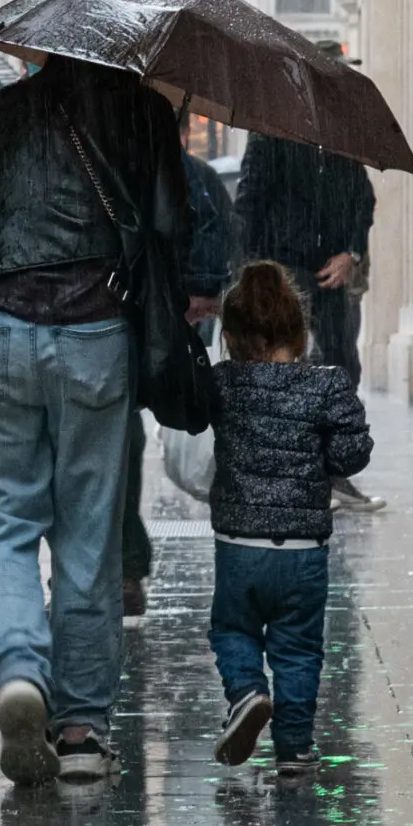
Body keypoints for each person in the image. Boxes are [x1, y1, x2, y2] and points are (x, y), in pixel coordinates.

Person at [0, 55, 192, 786]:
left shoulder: (0, 112)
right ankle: (80, 729)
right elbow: (176, 227)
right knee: (89, 533)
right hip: (93, 329)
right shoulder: (141, 113)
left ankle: (20, 671)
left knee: (1, 524)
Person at [204, 261, 372, 779]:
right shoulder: (327, 386)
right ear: (301, 331)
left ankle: (249, 693)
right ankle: (294, 748)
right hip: (302, 551)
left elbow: (188, 406)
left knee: (233, 630)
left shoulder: (223, 384)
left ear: (230, 337)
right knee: (298, 648)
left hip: (239, 546)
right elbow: (351, 457)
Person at [118, 113, 239, 626]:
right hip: (171, 334)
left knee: (117, 440)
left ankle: (119, 565)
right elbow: (221, 247)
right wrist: (198, 292)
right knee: (136, 433)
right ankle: (123, 567)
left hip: (121, 329)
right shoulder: (198, 179)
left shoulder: (119, 176)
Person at [234, 137, 381, 511]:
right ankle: (298, 474)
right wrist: (254, 274)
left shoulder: (340, 139)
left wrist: (352, 252)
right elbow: (248, 204)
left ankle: (332, 473)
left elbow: (364, 201)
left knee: (341, 369)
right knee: (288, 374)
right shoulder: (269, 135)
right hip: (283, 270)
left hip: (331, 275)